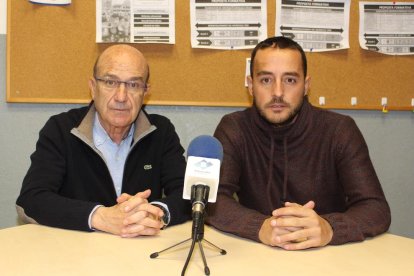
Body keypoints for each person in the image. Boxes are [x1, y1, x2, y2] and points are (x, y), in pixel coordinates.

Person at [206, 36, 391, 250]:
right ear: (250, 85)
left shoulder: (339, 130)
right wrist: (261, 226)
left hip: (330, 257)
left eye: (290, 80)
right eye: (266, 79)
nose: (277, 92)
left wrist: (330, 228)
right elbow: (212, 199)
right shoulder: (234, 128)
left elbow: (376, 208)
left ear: (306, 86)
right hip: (257, 254)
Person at [16, 45, 191, 237]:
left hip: (141, 254)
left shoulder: (161, 131)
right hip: (76, 253)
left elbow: (189, 194)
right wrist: (100, 217)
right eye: (110, 82)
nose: (121, 97)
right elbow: (31, 199)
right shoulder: (61, 129)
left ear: (145, 92)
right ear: (93, 87)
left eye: (133, 85)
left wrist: (156, 213)